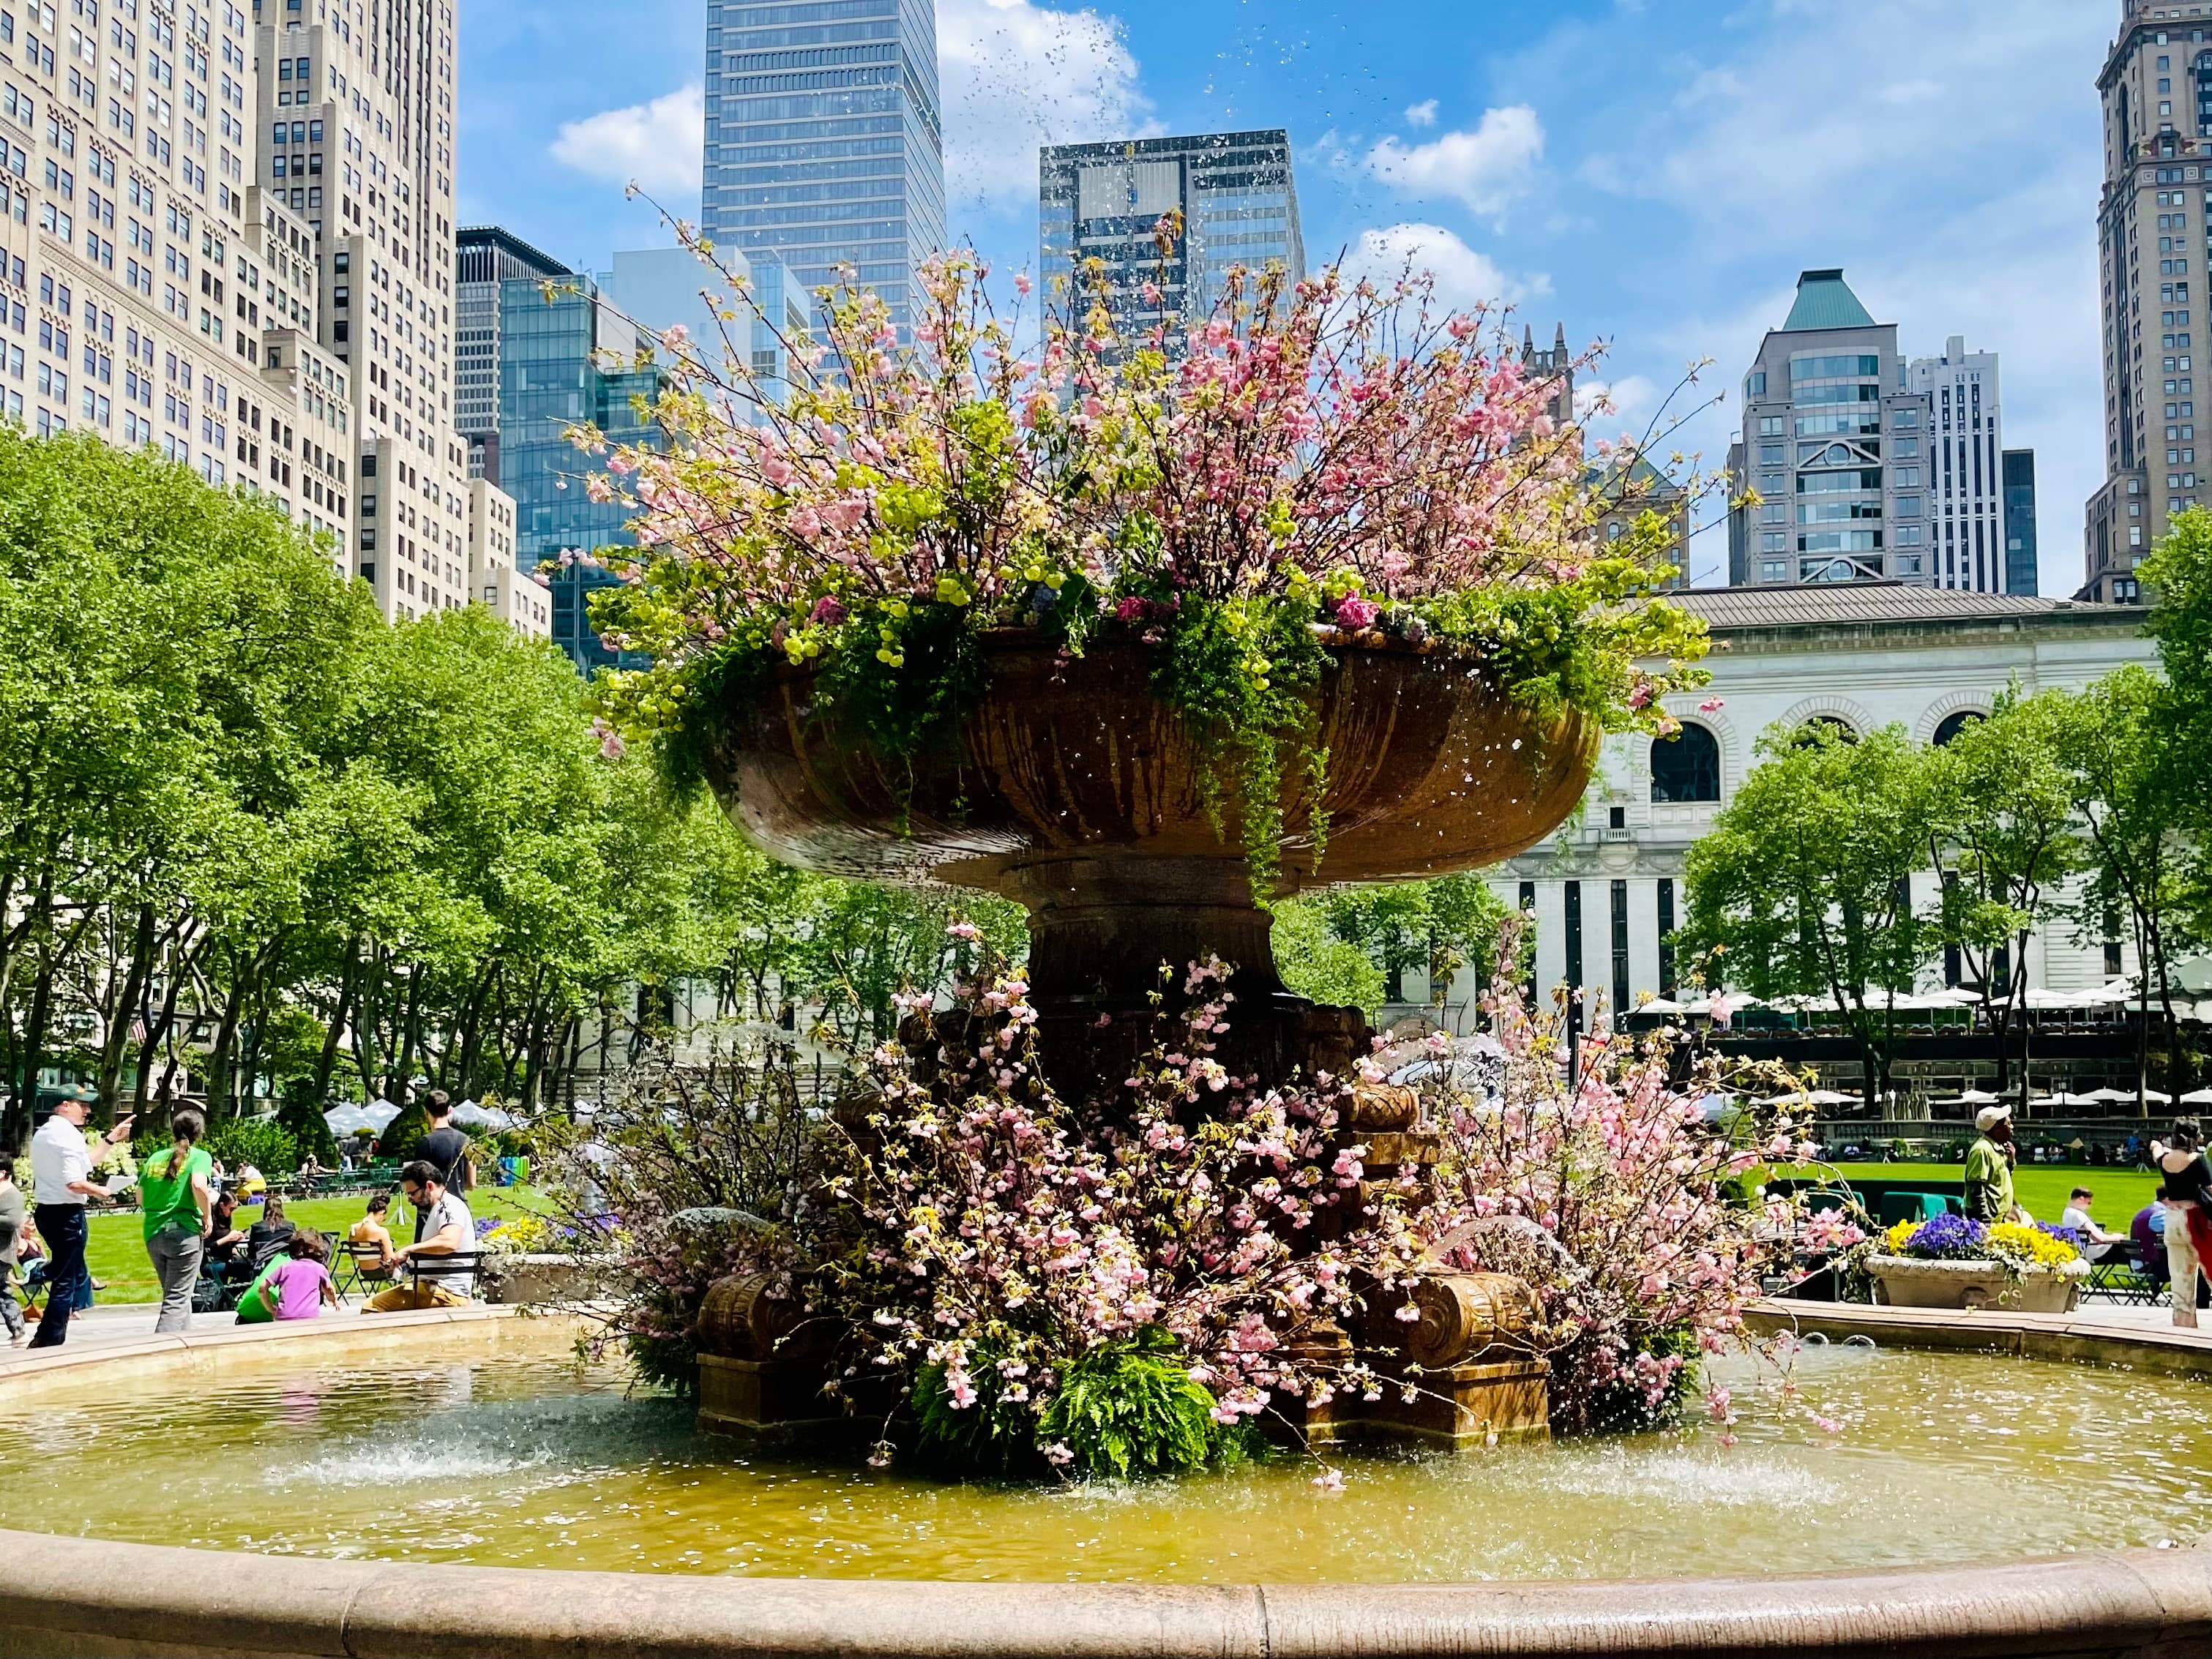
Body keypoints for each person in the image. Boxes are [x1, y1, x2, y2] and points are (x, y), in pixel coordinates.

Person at [26, 1089, 132, 1349]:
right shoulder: (69, 1135)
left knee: (67, 1272)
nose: (87, 1110)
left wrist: (110, 1140)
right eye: (82, 1105)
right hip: (67, 1215)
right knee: (66, 1279)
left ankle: (47, 1329)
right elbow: (74, 1182)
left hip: (47, 1212)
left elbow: (83, 1164)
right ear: (65, 1105)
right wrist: (103, 1191)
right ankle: (49, 1337)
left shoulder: (44, 1134)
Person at [138, 1106, 214, 1334]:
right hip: (183, 1232)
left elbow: (139, 1197)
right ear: (199, 1133)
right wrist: (208, 1217)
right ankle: (160, 1349)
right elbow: (199, 1185)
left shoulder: (154, 1159)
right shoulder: (200, 1157)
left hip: (153, 1233)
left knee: (178, 1295)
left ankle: (183, 1345)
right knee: (177, 1299)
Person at [363, 1161, 475, 1313]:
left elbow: (449, 1242)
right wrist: (405, 1262)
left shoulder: (449, 1207)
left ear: (429, 1186)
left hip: (446, 1293)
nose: (410, 1199)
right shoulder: (440, 1208)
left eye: (412, 1193)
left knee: (372, 1307)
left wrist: (408, 1250)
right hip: (433, 1288)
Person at [2153, 1118, 2212, 1329]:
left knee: (2180, 1280)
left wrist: (2159, 1145)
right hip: (2196, 1219)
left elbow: (2155, 1147)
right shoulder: (2197, 1160)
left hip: (2173, 1219)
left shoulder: (2164, 1160)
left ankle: (2183, 1328)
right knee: (2210, 1270)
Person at [1963, 1104, 2022, 1224]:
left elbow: (1999, 1181)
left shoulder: (1997, 1148)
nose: (2012, 1127)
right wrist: (1986, 1221)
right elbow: (1977, 1190)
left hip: (2001, 1218)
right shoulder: (1982, 1150)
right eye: (2008, 1124)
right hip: (1990, 1220)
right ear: (1997, 1128)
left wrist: (2011, 1161)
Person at [262, 1228, 340, 1321]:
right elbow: (329, 1289)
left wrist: (270, 1308)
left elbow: (262, 1288)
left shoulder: (285, 1268)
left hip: (285, 1316)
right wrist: (334, 1300)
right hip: (309, 1315)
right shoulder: (319, 1268)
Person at [412, 1091, 474, 1204]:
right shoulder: (465, 1140)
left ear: (426, 1111)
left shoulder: (426, 1143)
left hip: (432, 1210)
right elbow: (472, 1183)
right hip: (459, 1207)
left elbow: (418, 1183)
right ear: (449, 1110)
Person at [0, 1161, 24, 1347]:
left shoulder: (12, 1195)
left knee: (2, 1292)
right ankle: (18, 1330)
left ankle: (18, 1330)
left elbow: (13, 1221)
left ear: (2, 1173)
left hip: (2, 1252)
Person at [245, 1193, 296, 1273]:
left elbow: (251, 1252)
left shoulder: (257, 1227)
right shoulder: (289, 1226)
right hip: (285, 1266)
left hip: (262, 1266)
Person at [2060, 1187, 2126, 1246]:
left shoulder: (2067, 1212)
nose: (2089, 1206)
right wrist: (2118, 1237)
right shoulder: (2079, 1215)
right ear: (2081, 1199)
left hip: (2078, 1245)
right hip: (2092, 1250)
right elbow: (2101, 1238)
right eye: (2089, 1203)